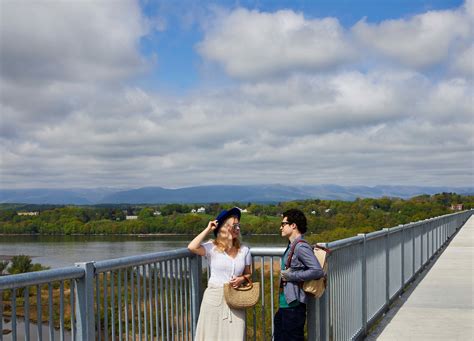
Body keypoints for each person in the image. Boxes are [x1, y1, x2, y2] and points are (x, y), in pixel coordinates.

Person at [187, 207, 252, 341]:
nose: (237, 228)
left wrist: (242, 279)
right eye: (234, 225)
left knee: (236, 336)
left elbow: (248, 274)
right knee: (211, 336)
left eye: (238, 225)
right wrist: (208, 229)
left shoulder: (244, 250)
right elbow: (192, 247)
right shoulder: (212, 248)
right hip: (214, 298)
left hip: (235, 299)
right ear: (224, 227)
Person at [274, 209, 324, 341]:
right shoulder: (292, 245)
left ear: (293, 225)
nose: (281, 227)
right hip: (287, 304)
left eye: (283, 223)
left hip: (294, 306)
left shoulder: (300, 247)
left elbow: (317, 271)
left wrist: (292, 276)